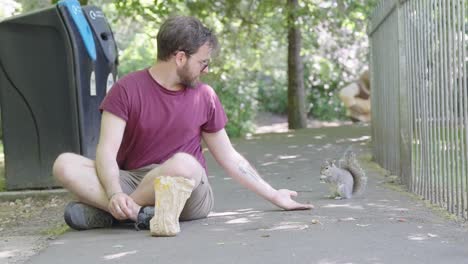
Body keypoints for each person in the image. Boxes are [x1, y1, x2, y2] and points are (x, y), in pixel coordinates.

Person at [53, 16, 313, 232]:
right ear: (180, 58)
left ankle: (118, 213)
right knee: (64, 164)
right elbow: (106, 153)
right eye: (203, 62)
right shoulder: (126, 90)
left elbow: (230, 157)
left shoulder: (205, 96)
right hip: (135, 179)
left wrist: (274, 194)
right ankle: (137, 214)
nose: (206, 69)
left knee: (184, 163)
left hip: (187, 188)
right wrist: (113, 193)